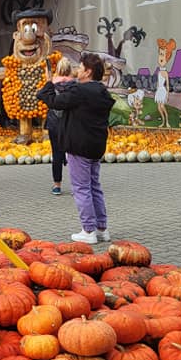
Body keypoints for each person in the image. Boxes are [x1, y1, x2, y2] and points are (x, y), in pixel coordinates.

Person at [37, 52, 115, 244]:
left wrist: (48, 83)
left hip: (78, 145)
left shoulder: (80, 92)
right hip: (96, 145)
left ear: (88, 72)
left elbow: (54, 102)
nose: (77, 71)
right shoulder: (103, 92)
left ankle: (88, 231)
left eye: (80, 67)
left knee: (81, 188)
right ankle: (101, 228)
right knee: (94, 186)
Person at [45, 57, 77, 195]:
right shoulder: (75, 87)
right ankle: (76, 185)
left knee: (56, 154)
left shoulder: (51, 85)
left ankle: (57, 184)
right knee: (74, 155)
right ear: (70, 70)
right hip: (71, 124)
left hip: (54, 124)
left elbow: (45, 100)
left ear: (57, 70)